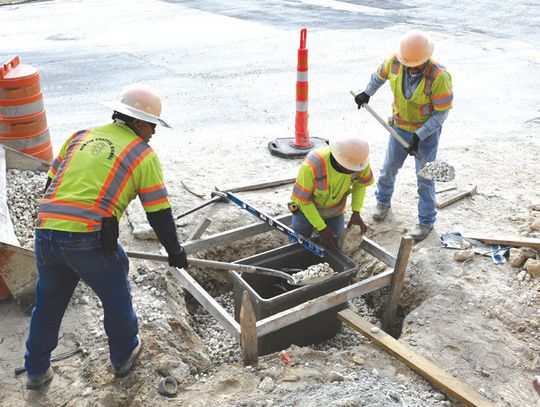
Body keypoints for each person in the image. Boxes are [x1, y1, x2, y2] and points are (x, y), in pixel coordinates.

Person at [23, 83, 189, 390]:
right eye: (152, 125)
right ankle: (124, 355)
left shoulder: (79, 137)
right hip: (87, 238)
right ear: (138, 122)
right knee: (116, 297)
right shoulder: (142, 154)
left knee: (48, 303)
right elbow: (158, 213)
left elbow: (51, 185)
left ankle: (36, 371)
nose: (153, 131)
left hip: (45, 232)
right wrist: (175, 251)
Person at [354, 29, 453, 241]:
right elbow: (378, 77)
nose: (411, 68)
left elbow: (441, 113)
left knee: (425, 177)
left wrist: (419, 136)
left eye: (416, 65)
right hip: (398, 127)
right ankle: (383, 201)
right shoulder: (395, 62)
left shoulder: (439, 76)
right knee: (389, 168)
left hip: (426, 134)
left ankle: (426, 221)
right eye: (408, 64)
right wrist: (367, 93)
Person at [290, 136, 374, 249]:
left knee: (335, 243)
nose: (354, 171)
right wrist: (321, 228)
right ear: (339, 161)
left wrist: (356, 212)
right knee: (299, 241)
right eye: (350, 168)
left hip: (334, 210)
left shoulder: (359, 163)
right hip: (304, 210)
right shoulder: (312, 165)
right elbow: (304, 202)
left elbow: (360, 185)